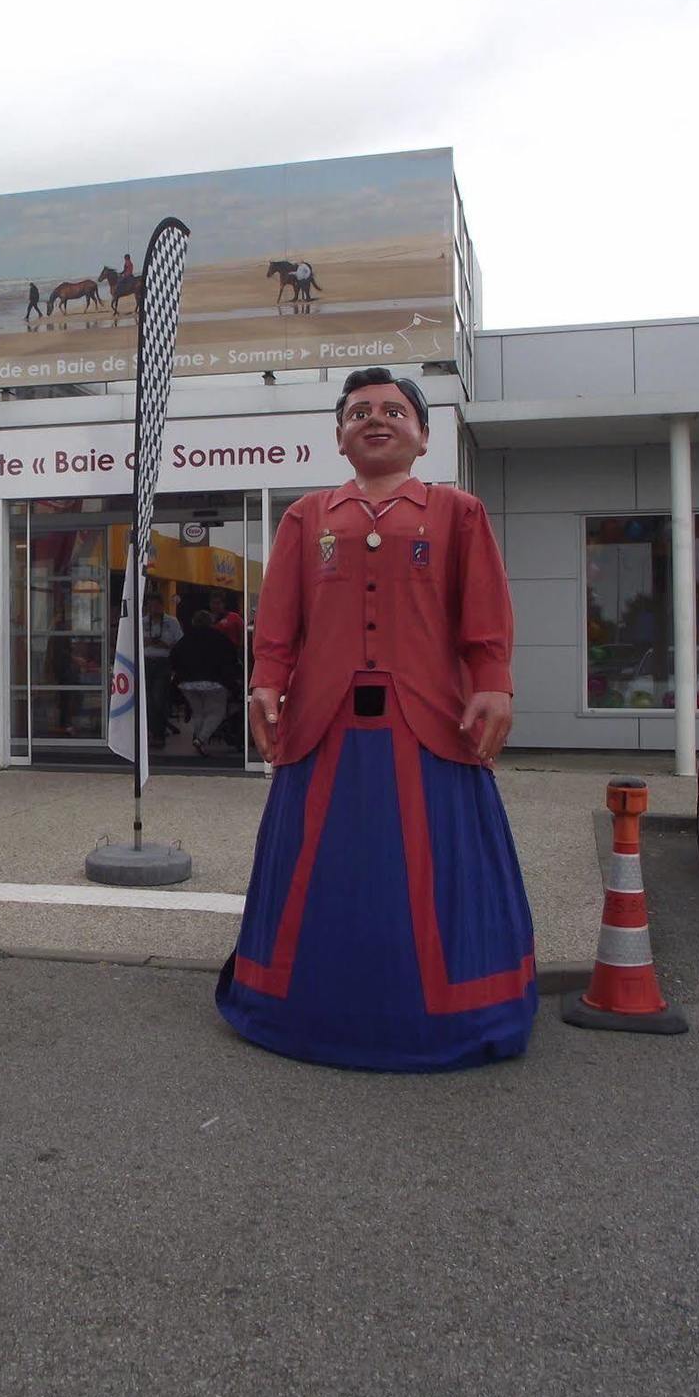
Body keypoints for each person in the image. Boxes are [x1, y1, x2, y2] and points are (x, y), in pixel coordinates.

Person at [215, 367, 536, 1071]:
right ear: (339, 436)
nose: (376, 419)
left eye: (394, 410)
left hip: (429, 727)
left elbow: (484, 616)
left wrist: (494, 683)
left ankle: (449, 1013)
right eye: (359, 411)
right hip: (325, 726)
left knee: (430, 869)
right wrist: (266, 682)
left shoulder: (459, 513)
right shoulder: (306, 517)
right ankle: (296, 1006)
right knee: (318, 867)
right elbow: (279, 624)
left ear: (423, 436)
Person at [170, 609, 241, 756]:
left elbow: (174, 657)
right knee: (217, 712)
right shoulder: (220, 639)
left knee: (198, 711)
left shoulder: (186, 639)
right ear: (211, 622)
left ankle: (198, 737)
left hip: (187, 683)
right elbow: (231, 659)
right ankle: (201, 739)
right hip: (214, 682)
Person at [141, 590, 182, 749]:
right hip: (146, 661)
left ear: (161, 606)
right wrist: (153, 642)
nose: (153, 609)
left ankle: (158, 733)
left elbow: (178, 642)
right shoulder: (143, 621)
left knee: (159, 698)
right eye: (150, 606)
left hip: (163, 662)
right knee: (147, 700)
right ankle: (149, 731)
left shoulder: (171, 622)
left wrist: (163, 644)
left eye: (156, 605)